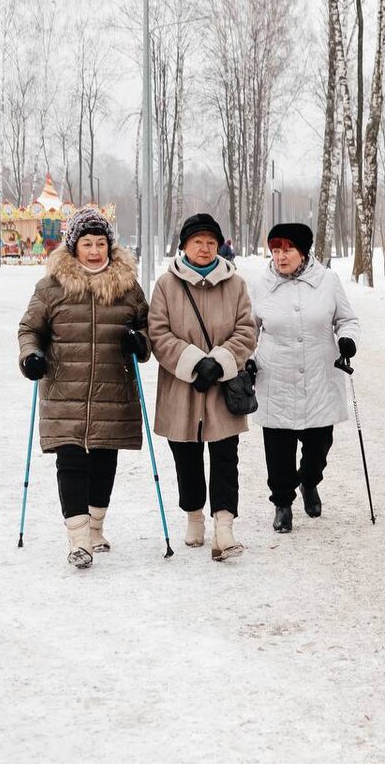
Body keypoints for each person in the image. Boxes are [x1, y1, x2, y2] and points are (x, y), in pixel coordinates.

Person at [17, 207, 150, 569]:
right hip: (64, 391)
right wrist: (31, 356)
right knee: (71, 461)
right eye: (87, 243)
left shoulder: (128, 288)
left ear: (110, 245)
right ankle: (78, 539)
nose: (95, 250)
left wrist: (142, 343)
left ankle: (95, 527)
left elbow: (148, 328)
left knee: (105, 462)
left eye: (101, 243)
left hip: (113, 391)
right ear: (74, 246)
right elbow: (30, 330)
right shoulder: (50, 287)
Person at [148, 213, 258, 561]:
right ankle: (194, 513)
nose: (205, 248)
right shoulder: (166, 285)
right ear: (184, 246)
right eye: (198, 242)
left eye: (211, 242)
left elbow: (247, 330)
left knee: (226, 458)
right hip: (182, 388)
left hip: (223, 389)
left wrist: (221, 361)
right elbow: (158, 332)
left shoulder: (236, 284)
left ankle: (223, 528)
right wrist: (196, 363)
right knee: (186, 458)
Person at [250, 223, 359, 532]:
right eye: (275, 250)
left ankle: (309, 483)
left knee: (318, 446)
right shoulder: (259, 284)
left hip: (319, 376)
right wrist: (247, 360)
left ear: (303, 251)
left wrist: (347, 339)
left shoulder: (328, 281)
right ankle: (282, 504)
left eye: (288, 250)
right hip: (275, 375)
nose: (281, 257)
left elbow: (347, 319)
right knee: (278, 448)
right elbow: (248, 329)